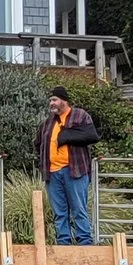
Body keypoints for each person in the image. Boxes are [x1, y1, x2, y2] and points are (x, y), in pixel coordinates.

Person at [35, 87, 100, 246]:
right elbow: (37, 143)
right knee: (59, 212)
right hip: (52, 173)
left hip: (75, 171)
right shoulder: (48, 123)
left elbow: (92, 136)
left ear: (64, 100)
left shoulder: (80, 116)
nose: (51, 103)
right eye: (50, 100)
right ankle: (63, 243)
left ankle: (85, 242)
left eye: (55, 100)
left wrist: (67, 136)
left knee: (79, 209)